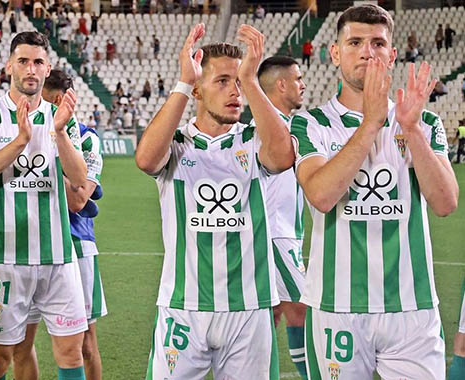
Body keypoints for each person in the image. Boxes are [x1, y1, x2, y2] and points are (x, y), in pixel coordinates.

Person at [290, 5, 458, 379]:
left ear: (393, 53)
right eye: (355, 42)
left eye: (378, 42)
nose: (368, 51)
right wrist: (371, 122)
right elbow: (320, 195)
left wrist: (411, 129)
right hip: (337, 306)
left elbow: (446, 203)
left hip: (411, 308)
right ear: (335, 53)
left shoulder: (423, 121)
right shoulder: (311, 123)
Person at [136, 23, 294, 380]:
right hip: (183, 307)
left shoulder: (254, 139)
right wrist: (181, 82)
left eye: (238, 81)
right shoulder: (175, 142)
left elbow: (283, 158)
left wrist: (251, 82)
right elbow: (146, 160)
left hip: (248, 310)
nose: (234, 91)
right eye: (223, 81)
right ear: (197, 89)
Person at [0, 31, 88, 380]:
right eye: (23, 61)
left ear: (48, 67)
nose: (31, 69)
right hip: (7, 258)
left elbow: (79, 177)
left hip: (58, 257)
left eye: (38, 62)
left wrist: (61, 132)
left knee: (70, 352)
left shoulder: (59, 116)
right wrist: (21, 140)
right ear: (9, 66)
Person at [11, 69, 107, 380]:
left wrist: (54, 143)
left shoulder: (88, 140)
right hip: (27, 245)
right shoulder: (18, 134)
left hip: (75, 246)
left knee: (85, 345)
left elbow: (77, 201)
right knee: (20, 345)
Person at [256, 56, 309, 380]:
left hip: (282, 233)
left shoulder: (281, 125)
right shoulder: (269, 128)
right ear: (281, 85)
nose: (303, 84)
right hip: (276, 235)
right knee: (302, 311)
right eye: (298, 78)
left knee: (271, 313)